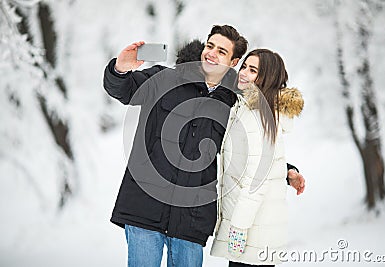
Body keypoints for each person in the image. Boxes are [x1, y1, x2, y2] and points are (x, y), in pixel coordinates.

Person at [103, 25, 304, 267]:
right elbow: (123, 89)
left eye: (221, 51)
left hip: (192, 218)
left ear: (233, 61)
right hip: (144, 207)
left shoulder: (235, 102)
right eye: (210, 46)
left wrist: (286, 170)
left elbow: (244, 150)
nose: (211, 53)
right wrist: (120, 69)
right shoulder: (166, 78)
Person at [210, 49, 304, 267]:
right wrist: (287, 171)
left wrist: (239, 229)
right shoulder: (248, 107)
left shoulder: (259, 114)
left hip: (252, 231)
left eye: (253, 70)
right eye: (244, 66)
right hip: (254, 228)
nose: (243, 73)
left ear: (266, 78)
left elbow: (257, 177)